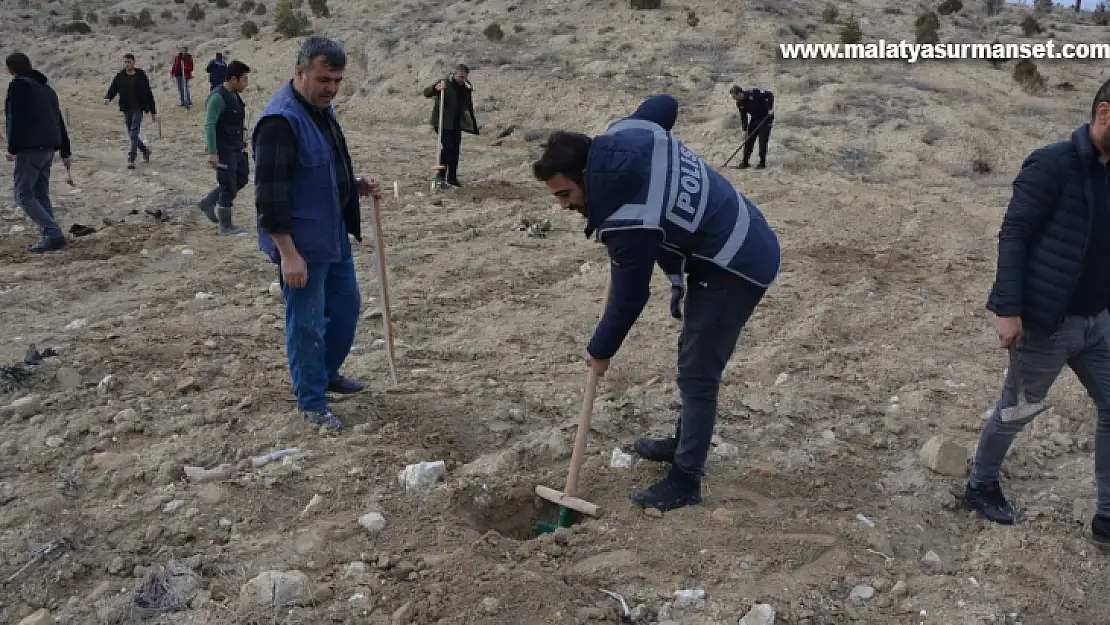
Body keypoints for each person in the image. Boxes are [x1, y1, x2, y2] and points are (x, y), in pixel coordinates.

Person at [531, 94, 782, 511]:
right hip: (736, 228)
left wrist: (599, 350)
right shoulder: (625, 132)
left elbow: (631, 297)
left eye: (565, 194)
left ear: (585, 175)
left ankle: (686, 480)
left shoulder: (628, 219)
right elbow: (664, 104)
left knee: (698, 370)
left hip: (735, 260)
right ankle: (685, 441)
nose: (563, 206)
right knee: (691, 354)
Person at [966, 78, 1110, 549]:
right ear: (1104, 114)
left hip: (1098, 323)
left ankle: (1107, 516)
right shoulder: (1052, 164)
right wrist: (1008, 308)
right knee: (1015, 410)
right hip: (1048, 322)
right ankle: (980, 484)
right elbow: (1014, 233)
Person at [252, 36, 382, 430]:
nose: (332, 88)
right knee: (306, 322)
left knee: (345, 308)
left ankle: (326, 374)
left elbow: (320, 167)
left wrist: (354, 184)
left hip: (333, 232)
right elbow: (269, 198)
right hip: (303, 244)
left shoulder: (320, 110)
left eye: (338, 81)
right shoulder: (280, 122)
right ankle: (311, 400)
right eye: (325, 79)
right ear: (300, 72)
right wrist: (288, 253)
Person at [4, 52, 72, 252]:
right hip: (49, 147)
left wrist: (12, 147)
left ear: (11, 70)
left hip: (30, 148)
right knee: (41, 193)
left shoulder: (19, 85)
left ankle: (53, 233)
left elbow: (17, 119)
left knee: (23, 194)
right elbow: (59, 120)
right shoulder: (46, 88)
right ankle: (50, 235)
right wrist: (66, 151)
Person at [197, 60, 251, 235]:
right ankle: (226, 226)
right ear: (234, 79)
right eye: (244, 79)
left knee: (241, 179)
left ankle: (208, 201)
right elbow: (210, 125)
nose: (246, 83)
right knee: (228, 185)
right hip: (224, 150)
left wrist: (242, 141)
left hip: (237, 147)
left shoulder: (235, 95)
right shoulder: (217, 97)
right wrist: (212, 152)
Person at [422, 64, 479, 187]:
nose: (462, 79)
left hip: (456, 123)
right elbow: (426, 93)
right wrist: (436, 88)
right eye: (460, 76)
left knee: (455, 150)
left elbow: (467, 104)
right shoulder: (444, 83)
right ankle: (441, 176)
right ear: (455, 73)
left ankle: (452, 178)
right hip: (442, 122)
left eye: (464, 77)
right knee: (448, 148)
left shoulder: (465, 87)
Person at [104, 54, 156, 169]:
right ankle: (145, 150)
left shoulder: (141, 75)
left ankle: (131, 159)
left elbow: (148, 93)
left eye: (128, 62)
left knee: (134, 132)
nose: (126, 64)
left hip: (139, 108)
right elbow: (113, 88)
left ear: (134, 62)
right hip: (127, 108)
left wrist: (153, 111)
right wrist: (108, 97)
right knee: (132, 135)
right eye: (125, 62)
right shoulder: (120, 76)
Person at [729, 85, 774, 169]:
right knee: (748, 141)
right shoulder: (739, 103)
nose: (733, 98)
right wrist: (745, 129)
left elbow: (770, 94)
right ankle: (745, 162)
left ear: (739, 93)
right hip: (754, 120)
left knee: (762, 141)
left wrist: (770, 108)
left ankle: (762, 163)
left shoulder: (754, 93)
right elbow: (743, 116)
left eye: (734, 96)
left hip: (765, 119)